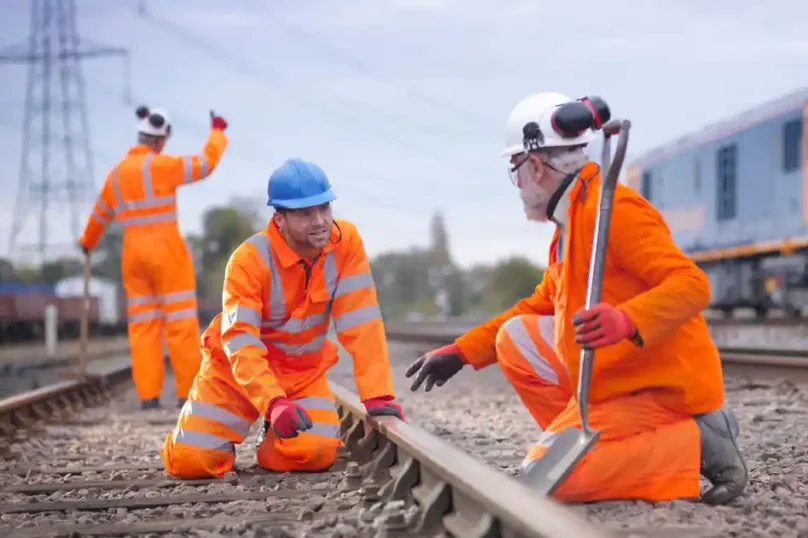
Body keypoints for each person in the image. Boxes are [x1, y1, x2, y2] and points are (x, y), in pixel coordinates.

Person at [405, 92, 748, 505]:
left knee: (547, 480)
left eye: (515, 172)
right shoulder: (570, 225)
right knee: (514, 338)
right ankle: (607, 449)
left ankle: (697, 442)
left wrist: (628, 320)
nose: (518, 186)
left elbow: (691, 284)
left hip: (659, 389)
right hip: (616, 383)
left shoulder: (615, 210)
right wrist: (461, 352)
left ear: (534, 166)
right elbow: (537, 307)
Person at [161, 158, 404, 479]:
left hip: (301, 374)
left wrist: (377, 394)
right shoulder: (248, 261)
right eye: (305, 214)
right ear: (279, 219)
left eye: (324, 208)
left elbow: (362, 321)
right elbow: (241, 339)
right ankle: (225, 437)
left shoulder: (345, 244)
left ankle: (270, 442)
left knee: (314, 453)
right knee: (191, 462)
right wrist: (272, 402)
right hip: (235, 374)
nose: (319, 221)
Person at [79, 106, 230, 409]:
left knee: (143, 327)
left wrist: (87, 242)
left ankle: (148, 397)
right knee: (181, 324)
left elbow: (99, 215)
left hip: (133, 257)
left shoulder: (116, 176)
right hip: (167, 252)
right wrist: (217, 133)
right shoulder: (164, 165)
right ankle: (187, 393)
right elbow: (204, 164)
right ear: (160, 141)